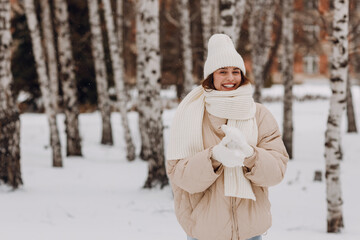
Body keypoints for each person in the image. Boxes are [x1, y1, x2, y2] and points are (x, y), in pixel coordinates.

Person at [166, 33, 289, 240]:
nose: (231, 78)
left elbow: (277, 171)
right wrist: (214, 157)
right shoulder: (191, 115)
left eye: (235, 71)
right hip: (204, 232)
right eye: (222, 72)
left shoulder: (258, 114)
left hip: (250, 232)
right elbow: (180, 176)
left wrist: (250, 155)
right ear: (211, 76)